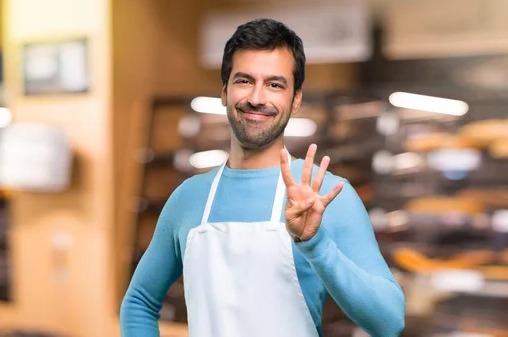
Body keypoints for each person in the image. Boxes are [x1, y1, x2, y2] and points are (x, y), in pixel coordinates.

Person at [120, 18, 405, 337]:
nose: (257, 97)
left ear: (296, 99)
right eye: (244, 81)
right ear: (224, 92)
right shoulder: (188, 198)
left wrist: (315, 243)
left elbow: (389, 322)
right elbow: (139, 303)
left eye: (275, 84)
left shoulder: (326, 194)